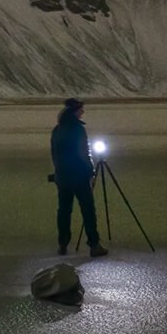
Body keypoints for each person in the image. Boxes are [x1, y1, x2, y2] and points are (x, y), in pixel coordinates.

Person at [50, 98, 108, 258]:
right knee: (88, 210)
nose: (82, 113)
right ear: (75, 111)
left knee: (64, 211)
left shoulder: (57, 129)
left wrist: (58, 171)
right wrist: (90, 171)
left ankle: (63, 243)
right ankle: (94, 244)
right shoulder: (77, 129)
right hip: (79, 176)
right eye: (81, 110)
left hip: (62, 176)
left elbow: (54, 154)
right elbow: (83, 152)